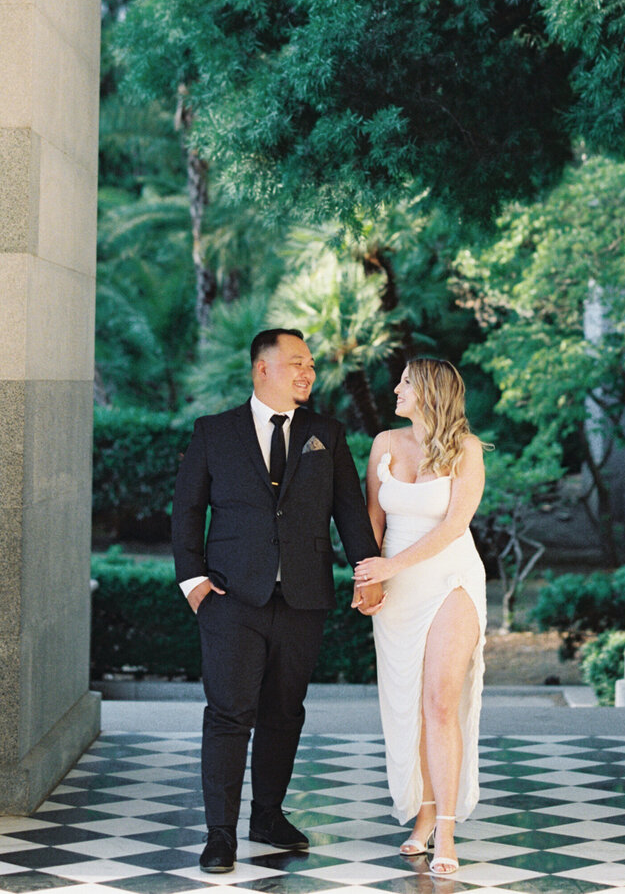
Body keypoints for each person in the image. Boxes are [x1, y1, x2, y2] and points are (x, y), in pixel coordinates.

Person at [172, 328, 384, 873]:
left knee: (284, 712)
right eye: (297, 363)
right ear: (262, 368)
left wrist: (369, 572)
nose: (308, 372)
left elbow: (350, 513)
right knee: (228, 713)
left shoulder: (326, 433)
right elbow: (187, 511)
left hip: (304, 599)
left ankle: (268, 815)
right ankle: (220, 834)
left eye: (311, 364)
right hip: (230, 598)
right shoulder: (213, 432)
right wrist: (193, 583)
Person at [353, 359, 487, 878]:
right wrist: (371, 580)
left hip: (450, 578)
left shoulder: (467, 450)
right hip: (397, 587)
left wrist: (393, 563)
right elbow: (372, 517)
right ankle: (424, 814)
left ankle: (447, 829)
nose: (396, 388)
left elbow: (456, 525)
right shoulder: (385, 442)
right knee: (409, 704)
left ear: (430, 391)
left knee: (439, 701)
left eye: (406, 382)